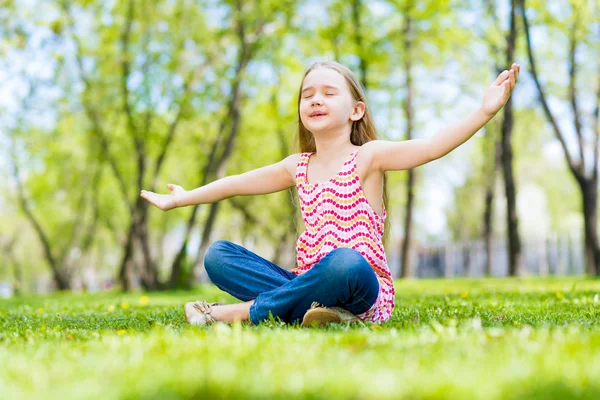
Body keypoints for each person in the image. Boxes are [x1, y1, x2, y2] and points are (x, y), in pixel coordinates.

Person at [140, 61, 520, 327]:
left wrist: (483, 112)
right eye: (308, 95)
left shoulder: (368, 157)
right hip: (307, 282)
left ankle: (238, 313)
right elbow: (236, 182)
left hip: (357, 285)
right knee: (218, 256)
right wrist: (183, 198)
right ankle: (320, 312)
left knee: (344, 263)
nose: (316, 100)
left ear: (356, 110)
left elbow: (433, 146)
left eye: (328, 93)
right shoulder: (297, 166)